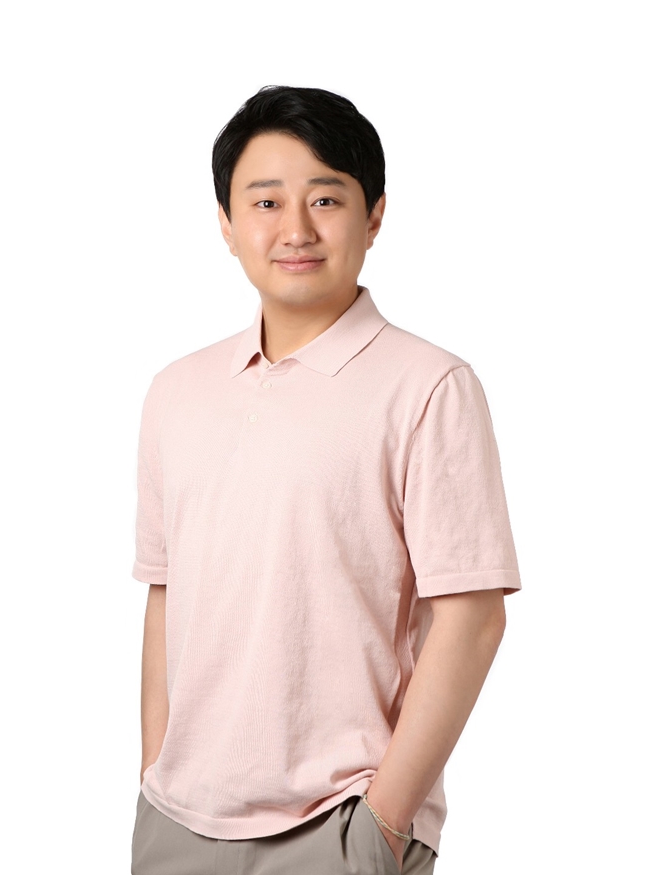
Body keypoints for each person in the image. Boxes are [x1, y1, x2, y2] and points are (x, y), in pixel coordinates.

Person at [130, 85, 522, 875]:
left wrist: (384, 820)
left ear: (374, 215)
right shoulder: (177, 389)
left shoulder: (429, 386)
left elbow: (473, 617)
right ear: (226, 223)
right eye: (266, 201)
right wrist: (154, 774)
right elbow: (165, 595)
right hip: (176, 820)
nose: (296, 229)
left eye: (326, 199)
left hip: (340, 822)